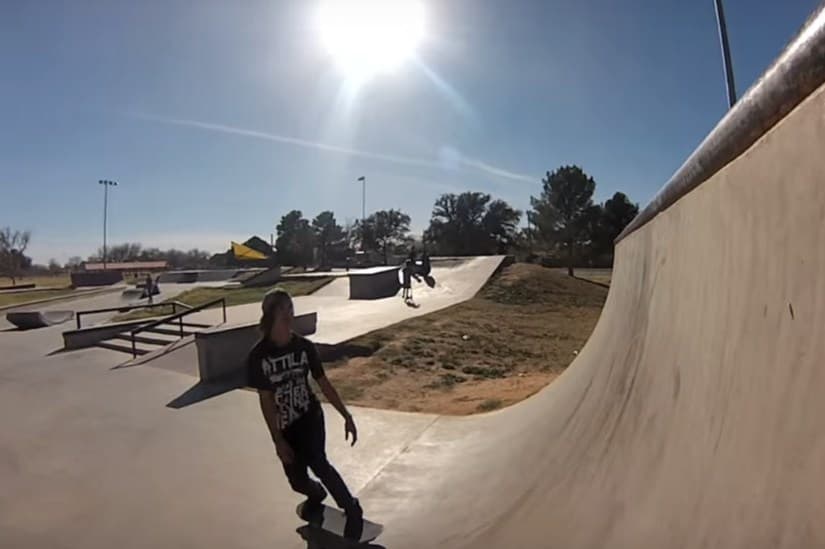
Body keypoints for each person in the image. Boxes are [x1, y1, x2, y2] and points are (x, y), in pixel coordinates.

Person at [246, 289, 363, 526]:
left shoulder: (304, 347)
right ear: (270, 314)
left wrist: (346, 415)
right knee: (297, 481)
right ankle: (316, 493)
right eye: (283, 309)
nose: (289, 314)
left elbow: (323, 383)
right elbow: (266, 400)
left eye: (291, 308)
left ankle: (351, 506)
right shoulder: (258, 357)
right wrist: (277, 440)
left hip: (309, 416)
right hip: (285, 425)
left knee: (318, 462)